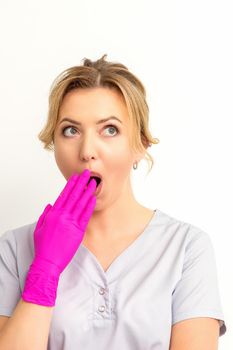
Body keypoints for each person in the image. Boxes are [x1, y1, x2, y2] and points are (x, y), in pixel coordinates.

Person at [0, 54, 226, 349]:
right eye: (71, 130)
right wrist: (45, 268)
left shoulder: (186, 247)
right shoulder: (15, 249)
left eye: (110, 129)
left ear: (140, 145)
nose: (87, 151)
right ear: (54, 144)